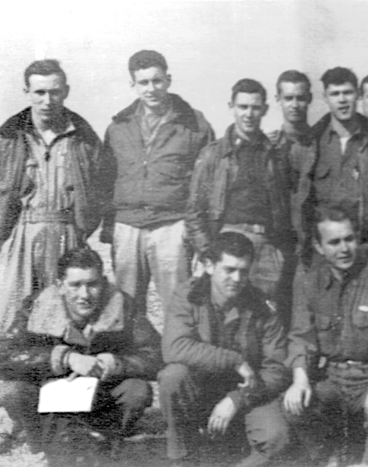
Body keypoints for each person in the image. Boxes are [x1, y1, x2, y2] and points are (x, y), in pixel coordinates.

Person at [0, 59, 105, 453]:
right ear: (27, 93)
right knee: (12, 321)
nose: (47, 99)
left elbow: (101, 186)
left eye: (55, 91)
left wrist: (80, 227)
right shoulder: (8, 136)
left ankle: (67, 417)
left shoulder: (83, 137)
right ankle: (2, 417)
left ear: (66, 91)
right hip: (24, 233)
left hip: (67, 232)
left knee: (68, 322)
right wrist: (10, 228)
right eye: (39, 91)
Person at [0, 248, 160, 457]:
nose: (84, 295)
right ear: (60, 285)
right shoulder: (37, 305)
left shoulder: (123, 304)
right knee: (12, 391)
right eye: (75, 285)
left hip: (102, 394)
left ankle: (106, 438)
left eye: (92, 284)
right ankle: (44, 442)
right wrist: (65, 358)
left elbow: (155, 354)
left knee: (137, 390)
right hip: (50, 394)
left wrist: (116, 363)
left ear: (104, 282)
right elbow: (2, 357)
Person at [284, 205, 368, 467]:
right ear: (319, 247)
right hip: (333, 378)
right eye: (334, 242)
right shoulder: (309, 280)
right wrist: (300, 380)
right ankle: (329, 456)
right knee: (293, 406)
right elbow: (301, 335)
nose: (344, 248)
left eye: (349, 239)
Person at [158, 231, 290, 467]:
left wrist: (237, 399)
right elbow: (174, 347)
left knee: (276, 437)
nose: (237, 278)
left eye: (243, 271)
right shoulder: (188, 295)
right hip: (201, 387)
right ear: (209, 265)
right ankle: (182, 460)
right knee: (172, 377)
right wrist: (234, 360)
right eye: (229, 270)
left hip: (248, 393)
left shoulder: (262, 306)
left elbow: (276, 369)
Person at [100, 50, 215, 320]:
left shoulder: (195, 124)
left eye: (157, 81)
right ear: (133, 85)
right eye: (143, 82)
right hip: (128, 227)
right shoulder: (118, 126)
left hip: (172, 226)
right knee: (125, 309)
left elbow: (208, 183)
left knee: (180, 306)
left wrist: (200, 235)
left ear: (168, 80)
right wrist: (110, 227)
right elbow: (105, 180)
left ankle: (181, 361)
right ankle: (131, 362)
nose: (151, 89)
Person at [186, 78, 295, 318]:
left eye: (255, 108)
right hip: (225, 243)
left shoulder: (276, 155)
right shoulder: (214, 154)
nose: (249, 114)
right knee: (223, 313)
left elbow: (287, 205)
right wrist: (207, 252)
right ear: (231, 107)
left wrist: (281, 252)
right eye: (243, 107)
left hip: (265, 246)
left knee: (267, 315)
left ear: (265, 110)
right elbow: (194, 211)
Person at [290, 67, 368, 274]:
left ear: (358, 96)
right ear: (325, 98)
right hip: (321, 259)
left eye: (348, 93)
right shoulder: (308, 146)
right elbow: (295, 203)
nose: (342, 100)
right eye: (335, 94)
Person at [270, 70, 312, 149]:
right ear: (278, 100)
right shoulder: (269, 145)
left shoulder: (321, 142)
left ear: (309, 99)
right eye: (288, 98)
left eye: (300, 98)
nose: (295, 105)